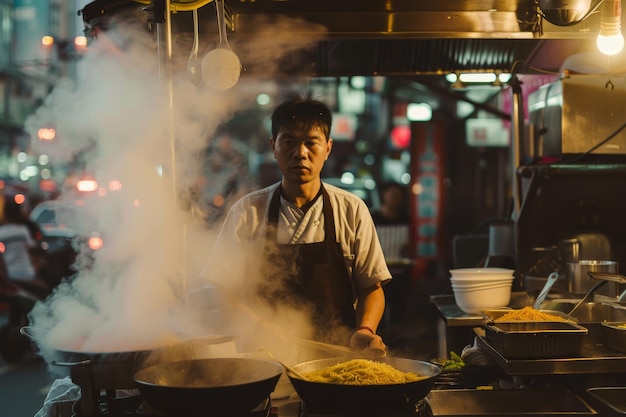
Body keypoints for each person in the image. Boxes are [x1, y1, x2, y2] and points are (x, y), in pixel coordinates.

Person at [202, 95, 391, 355]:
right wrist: (258, 325)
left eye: (311, 143)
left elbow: (372, 287)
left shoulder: (351, 209)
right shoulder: (248, 211)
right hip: (265, 357)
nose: (300, 153)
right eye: (289, 142)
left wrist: (366, 330)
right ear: (273, 146)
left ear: (328, 148)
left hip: (338, 358)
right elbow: (222, 289)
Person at [371, 182, 412, 325]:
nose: (395, 198)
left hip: (401, 272)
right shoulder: (373, 218)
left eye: (399, 195)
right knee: (377, 312)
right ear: (384, 195)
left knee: (399, 312)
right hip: (377, 273)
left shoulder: (408, 220)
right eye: (392, 194)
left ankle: (397, 343)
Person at [0, 195, 49, 298]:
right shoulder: (23, 230)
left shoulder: (2, 232)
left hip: (9, 276)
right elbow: (33, 249)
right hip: (27, 274)